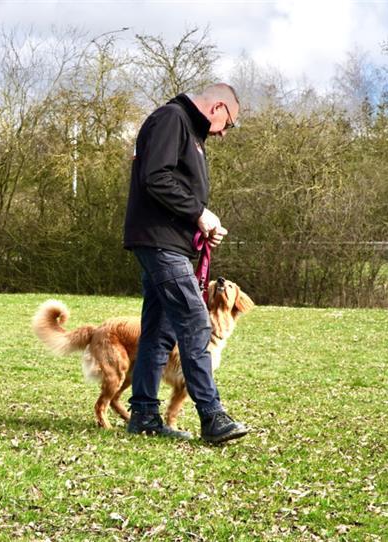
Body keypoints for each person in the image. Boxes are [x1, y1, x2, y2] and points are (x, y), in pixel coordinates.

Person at [123, 83, 248, 444]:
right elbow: (155, 177)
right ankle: (212, 416)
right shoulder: (172, 119)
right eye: (229, 124)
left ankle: (144, 414)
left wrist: (202, 222)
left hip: (168, 241)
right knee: (195, 319)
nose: (224, 133)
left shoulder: (187, 130)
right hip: (160, 242)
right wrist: (198, 212)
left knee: (160, 328)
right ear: (218, 107)